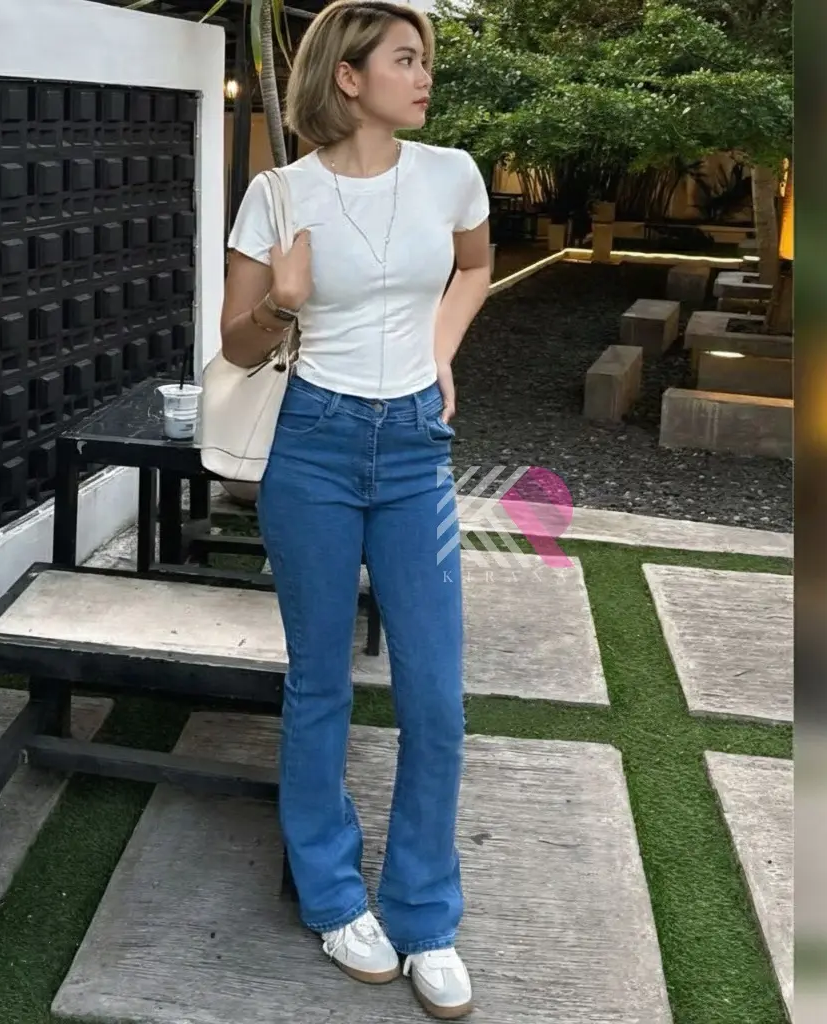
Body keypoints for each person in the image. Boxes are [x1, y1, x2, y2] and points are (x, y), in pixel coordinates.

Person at [220, 1, 491, 1018]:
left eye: (424, 60)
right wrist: (282, 302)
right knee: (319, 683)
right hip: (314, 446)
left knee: (435, 695)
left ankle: (424, 912)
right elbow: (236, 341)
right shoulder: (278, 194)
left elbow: (475, 266)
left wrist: (440, 351)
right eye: (405, 59)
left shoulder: (451, 174)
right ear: (348, 75)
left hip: (416, 446)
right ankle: (334, 897)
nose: (424, 77)